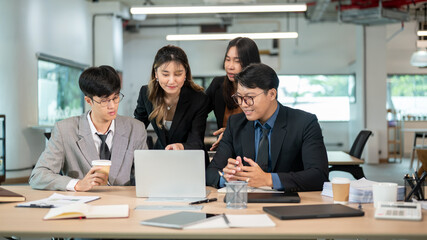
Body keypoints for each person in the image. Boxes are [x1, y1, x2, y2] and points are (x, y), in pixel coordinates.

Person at [206, 63, 329, 191]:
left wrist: (268, 179)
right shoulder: (235, 124)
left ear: (271, 94)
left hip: (290, 204)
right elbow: (211, 173)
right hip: (247, 204)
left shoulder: (305, 123)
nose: (243, 104)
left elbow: (319, 175)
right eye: (239, 97)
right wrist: (227, 177)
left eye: (250, 97)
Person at [29, 65, 148, 191]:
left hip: (123, 203)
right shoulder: (65, 130)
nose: (112, 105)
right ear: (88, 101)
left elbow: (147, 173)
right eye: (104, 101)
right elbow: (38, 176)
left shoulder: (135, 128)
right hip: (83, 204)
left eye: (115, 98)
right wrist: (77, 184)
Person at [134, 45, 209, 165]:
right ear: (156, 74)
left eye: (178, 74)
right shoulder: (146, 93)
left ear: (185, 74)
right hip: (160, 158)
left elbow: (197, 141)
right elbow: (137, 127)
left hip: (190, 160)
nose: (171, 81)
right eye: (165, 74)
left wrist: (181, 146)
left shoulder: (198, 99)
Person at [206, 37, 261, 150]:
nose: (230, 66)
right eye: (227, 59)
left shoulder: (262, 89)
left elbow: (263, 125)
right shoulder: (218, 84)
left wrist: (230, 131)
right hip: (224, 150)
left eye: (237, 61)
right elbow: (198, 110)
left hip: (253, 149)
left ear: (250, 62)